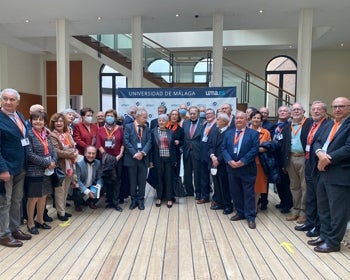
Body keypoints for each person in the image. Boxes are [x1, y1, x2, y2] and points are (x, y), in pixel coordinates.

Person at [307, 97, 350, 253]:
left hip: (340, 174)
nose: (337, 109)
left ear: (349, 108)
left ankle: (333, 242)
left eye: (341, 106)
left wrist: (327, 159)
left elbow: (348, 148)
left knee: (338, 211)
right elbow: (317, 141)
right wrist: (319, 154)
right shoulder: (330, 124)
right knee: (323, 207)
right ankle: (324, 235)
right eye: (335, 106)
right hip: (322, 171)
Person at [0, 88, 32, 247]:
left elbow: (24, 135)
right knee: (4, 202)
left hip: (21, 166)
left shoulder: (18, 116)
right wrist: (2, 169)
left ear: (17, 102)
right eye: (5, 99)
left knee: (16, 200)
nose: (8, 102)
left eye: (12, 99)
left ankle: (14, 229)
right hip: (6, 168)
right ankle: (3, 234)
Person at [295, 101, 329, 237]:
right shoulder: (310, 124)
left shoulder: (328, 125)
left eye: (319, 109)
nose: (315, 111)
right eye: (313, 109)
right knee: (310, 195)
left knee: (319, 197)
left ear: (324, 111)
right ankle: (309, 221)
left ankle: (318, 226)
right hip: (308, 161)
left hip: (319, 164)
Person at [222, 111, 259, 229]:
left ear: (246, 120)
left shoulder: (253, 133)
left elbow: (255, 149)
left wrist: (242, 161)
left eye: (241, 118)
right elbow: (223, 149)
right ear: (234, 120)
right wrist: (229, 160)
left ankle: (250, 217)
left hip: (247, 168)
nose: (238, 120)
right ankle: (240, 213)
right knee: (235, 192)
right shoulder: (228, 133)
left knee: (248, 194)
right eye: (237, 118)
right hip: (232, 168)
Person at [25, 111, 57, 234]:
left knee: (43, 196)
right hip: (34, 171)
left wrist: (53, 161)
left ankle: (40, 219)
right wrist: (46, 163)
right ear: (31, 121)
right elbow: (30, 154)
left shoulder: (46, 135)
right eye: (35, 119)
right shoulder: (28, 135)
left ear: (44, 122)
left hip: (47, 171)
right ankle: (30, 222)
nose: (38, 121)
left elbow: (53, 150)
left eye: (41, 119)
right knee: (33, 197)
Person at [282, 103, 312, 224]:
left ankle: (304, 212)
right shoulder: (287, 126)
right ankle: (296, 210)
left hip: (304, 158)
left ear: (304, 111)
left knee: (305, 186)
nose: (296, 111)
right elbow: (284, 145)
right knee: (294, 186)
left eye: (298, 109)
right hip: (291, 158)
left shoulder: (309, 124)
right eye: (293, 110)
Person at [49, 113, 78, 221]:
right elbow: (57, 152)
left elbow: (73, 146)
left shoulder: (67, 133)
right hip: (60, 166)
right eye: (56, 121)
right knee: (59, 190)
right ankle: (60, 212)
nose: (59, 123)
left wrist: (73, 152)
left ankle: (63, 209)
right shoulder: (52, 135)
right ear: (53, 123)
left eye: (61, 121)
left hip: (69, 165)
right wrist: (72, 153)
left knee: (66, 189)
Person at [96, 109, 124, 212]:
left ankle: (115, 202)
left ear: (115, 118)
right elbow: (98, 145)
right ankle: (109, 201)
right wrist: (106, 156)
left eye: (111, 116)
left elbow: (123, 143)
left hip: (118, 158)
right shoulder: (100, 130)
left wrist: (119, 155)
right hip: (106, 159)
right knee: (108, 180)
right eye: (107, 115)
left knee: (117, 180)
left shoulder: (120, 129)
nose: (109, 117)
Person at [123, 108, 152, 210]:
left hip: (143, 159)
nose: (146, 119)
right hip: (132, 158)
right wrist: (135, 153)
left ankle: (141, 200)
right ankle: (133, 200)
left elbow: (149, 142)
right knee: (133, 181)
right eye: (144, 117)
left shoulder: (147, 128)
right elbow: (126, 141)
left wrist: (143, 153)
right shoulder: (128, 127)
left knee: (142, 181)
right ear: (138, 117)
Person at [208, 112, 233, 215]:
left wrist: (218, 159)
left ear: (224, 121)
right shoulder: (215, 131)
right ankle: (220, 202)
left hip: (223, 163)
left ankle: (228, 205)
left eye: (218, 119)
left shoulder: (230, 133)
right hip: (214, 162)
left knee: (225, 185)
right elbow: (210, 145)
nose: (216, 121)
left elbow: (227, 149)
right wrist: (212, 156)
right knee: (216, 184)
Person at [150, 114, 176, 208]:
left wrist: (174, 160)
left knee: (168, 179)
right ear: (158, 122)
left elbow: (173, 148)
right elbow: (151, 148)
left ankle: (169, 198)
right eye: (160, 120)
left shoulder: (171, 132)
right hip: (158, 159)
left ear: (167, 122)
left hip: (168, 159)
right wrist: (151, 161)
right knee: (159, 179)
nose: (161, 122)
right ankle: (159, 197)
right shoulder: (153, 132)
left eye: (163, 121)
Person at [249, 111, 271, 211]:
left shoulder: (266, 132)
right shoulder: (245, 130)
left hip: (260, 163)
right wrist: (257, 149)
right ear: (250, 119)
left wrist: (254, 149)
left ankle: (254, 207)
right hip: (246, 163)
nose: (256, 120)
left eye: (258, 118)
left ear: (261, 120)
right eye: (254, 117)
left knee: (258, 186)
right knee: (247, 185)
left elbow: (268, 147)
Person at [273, 105, 293, 214]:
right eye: (280, 111)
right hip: (275, 157)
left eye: (285, 111)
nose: (282, 112)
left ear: (289, 114)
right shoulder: (275, 126)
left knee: (286, 182)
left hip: (284, 158)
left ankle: (288, 203)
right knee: (278, 181)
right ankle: (282, 201)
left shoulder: (290, 126)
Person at [182, 106, 204, 199]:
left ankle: (198, 192)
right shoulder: (185, 123)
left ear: (198, 113)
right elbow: (184, 137)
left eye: (194, 113)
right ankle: (189, 191)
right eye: (190, 113)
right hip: (187, 151)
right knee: (187, 173)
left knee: (197, 173)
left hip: (197, 151)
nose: (192, 115)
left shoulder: (203, 123)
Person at [75, 146, 103, 211]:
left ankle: (91, 202)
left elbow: (100, 177)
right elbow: (77, 180)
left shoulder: (98, 163)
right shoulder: (79, 163)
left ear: (96, 154)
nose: (91, 155)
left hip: (91, 185)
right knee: (76, 191)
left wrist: (98, 186)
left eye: (93, 153)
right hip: (82, 185)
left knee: (103, 188)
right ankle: (78, 204)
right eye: (89, 153)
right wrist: (87, 191)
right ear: (85, 153)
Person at [197, 108, 216, 204]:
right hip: (203, 155)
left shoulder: (217, 126)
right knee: (204, 177)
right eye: (206, 114)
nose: (208, 115)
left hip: (213, 156)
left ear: (214, 115)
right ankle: (205, 196)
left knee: (215, 178)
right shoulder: (204, 125)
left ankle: (216, 198)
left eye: (210, 113)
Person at [165, 109, 184, 197]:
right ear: (170, 116)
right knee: (164, 173)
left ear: (178, 117)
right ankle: (163, 193)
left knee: (174, 173)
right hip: (163, 154)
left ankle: (172, 194)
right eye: (172, 114)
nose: (174, 116)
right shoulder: (164, 126)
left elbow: (184, 141)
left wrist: (179, 142)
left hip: (175, 155)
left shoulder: (180, 129)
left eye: (176, 115)